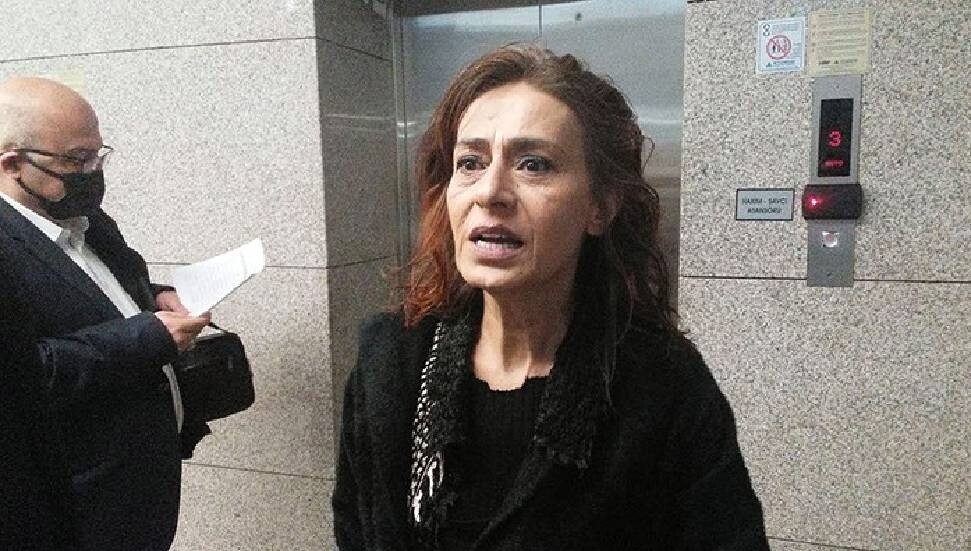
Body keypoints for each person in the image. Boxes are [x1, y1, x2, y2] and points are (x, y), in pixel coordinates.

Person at [332, 45, 770, 550]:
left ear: (599, 207)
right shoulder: (391, 364)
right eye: (470, 162)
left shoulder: (661, 386)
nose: (490, 192)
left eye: (534, 164)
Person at [0, 77, 211, 550]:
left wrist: (156, 297)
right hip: (72, 510)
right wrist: (148, 337)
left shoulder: (87, 220)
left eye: (98, 155)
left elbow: (93, 288)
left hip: (140, 488)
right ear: (12, 164)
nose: (93, 171)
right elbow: (22, 373)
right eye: (77, 160)